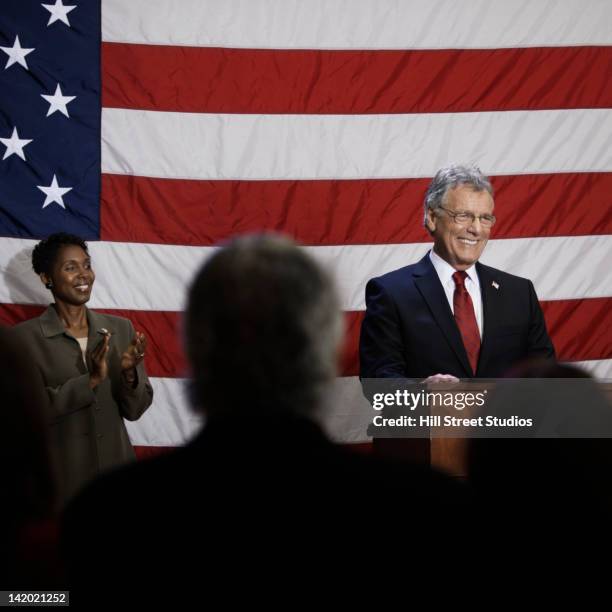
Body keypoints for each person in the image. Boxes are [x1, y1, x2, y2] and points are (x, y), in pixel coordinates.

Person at [61, 235, 470, 604]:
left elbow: (34, 600)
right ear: (327, 354)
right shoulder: (426, 511)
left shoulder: (106, 517)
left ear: (196, 351)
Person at [360, 164, 555, 382]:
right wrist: (423, 394)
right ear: (432, 218)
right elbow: (376, 380)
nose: (476, 229)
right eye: (464, 216)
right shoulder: (391, 293)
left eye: (485, 218)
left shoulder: (519, 293)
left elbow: (545, 376)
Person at [12, 233, 153, 505]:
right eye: (70, 267)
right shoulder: (22, 340)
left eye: (86, 265)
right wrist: (91, 381)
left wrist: (129, 373)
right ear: (46, 277)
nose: (83, 274)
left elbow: (135, 411)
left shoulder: (121, 329)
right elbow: (26, 416)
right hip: (60, 490)